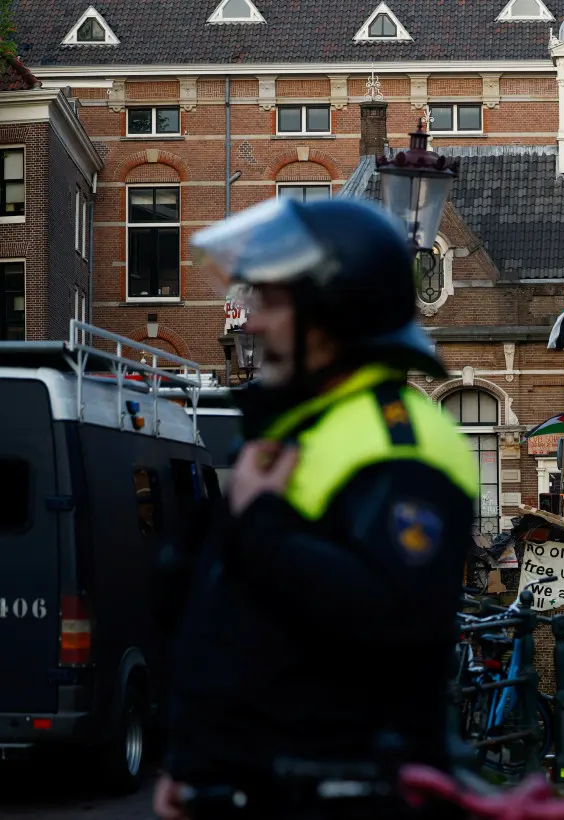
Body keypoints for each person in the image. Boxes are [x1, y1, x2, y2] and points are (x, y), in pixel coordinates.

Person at [152, 197, 478, 820]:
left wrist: (261, 525)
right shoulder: (298, 428)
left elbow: (393, 616)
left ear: (330, 319)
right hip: (250, 787)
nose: (251, 323)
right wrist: (194, 765)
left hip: (338, 794)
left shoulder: (401, 444)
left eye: (271, 303)